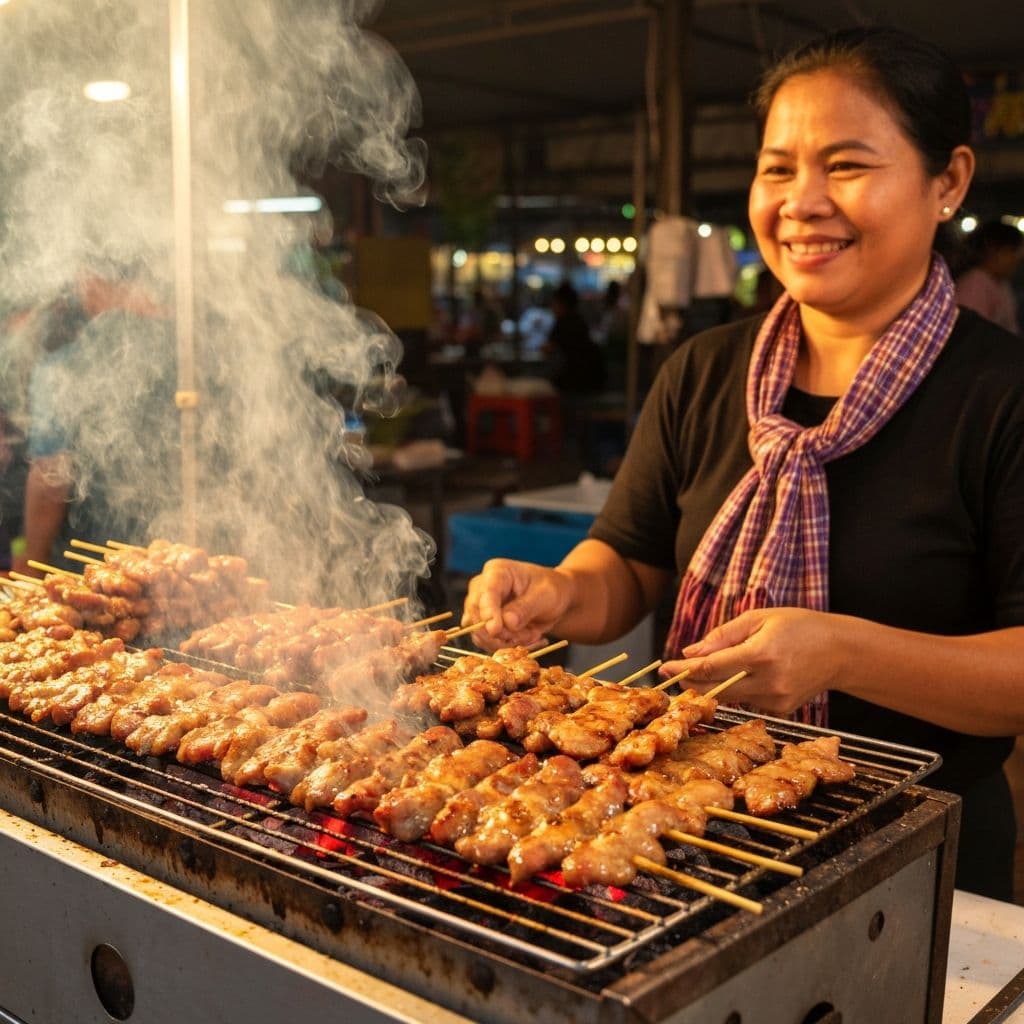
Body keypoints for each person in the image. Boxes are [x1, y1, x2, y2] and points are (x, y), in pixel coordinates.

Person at [461, 27, 1024, 901]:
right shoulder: (706, 370)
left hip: (918, 854)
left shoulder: (1002, 396)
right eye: (777, 169)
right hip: (688, 831)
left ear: (946, 181)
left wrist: (839, 653)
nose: (801, 202)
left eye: (845, 166)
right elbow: (629, 563)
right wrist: (562, 592)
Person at [13, 268, 180, 576]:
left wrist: (29, 559)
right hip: (187, 552)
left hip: (102, 558)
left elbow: (51, 474)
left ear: (92, 278)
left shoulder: (69, 364)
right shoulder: (188, 345)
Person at [955, 219, 1022, 334]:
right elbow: (969, 334)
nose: (1016, 260)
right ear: (994, 250)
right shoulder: (975, 285)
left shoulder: (1001, 284)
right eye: (1012, 252)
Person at [544, 281, 606, 395]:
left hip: (572, 378)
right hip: (590, 376)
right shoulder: (579, 320)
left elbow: (548, 349)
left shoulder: (562, 322)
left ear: (560, 303)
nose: (552, 307)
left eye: (553, 303)